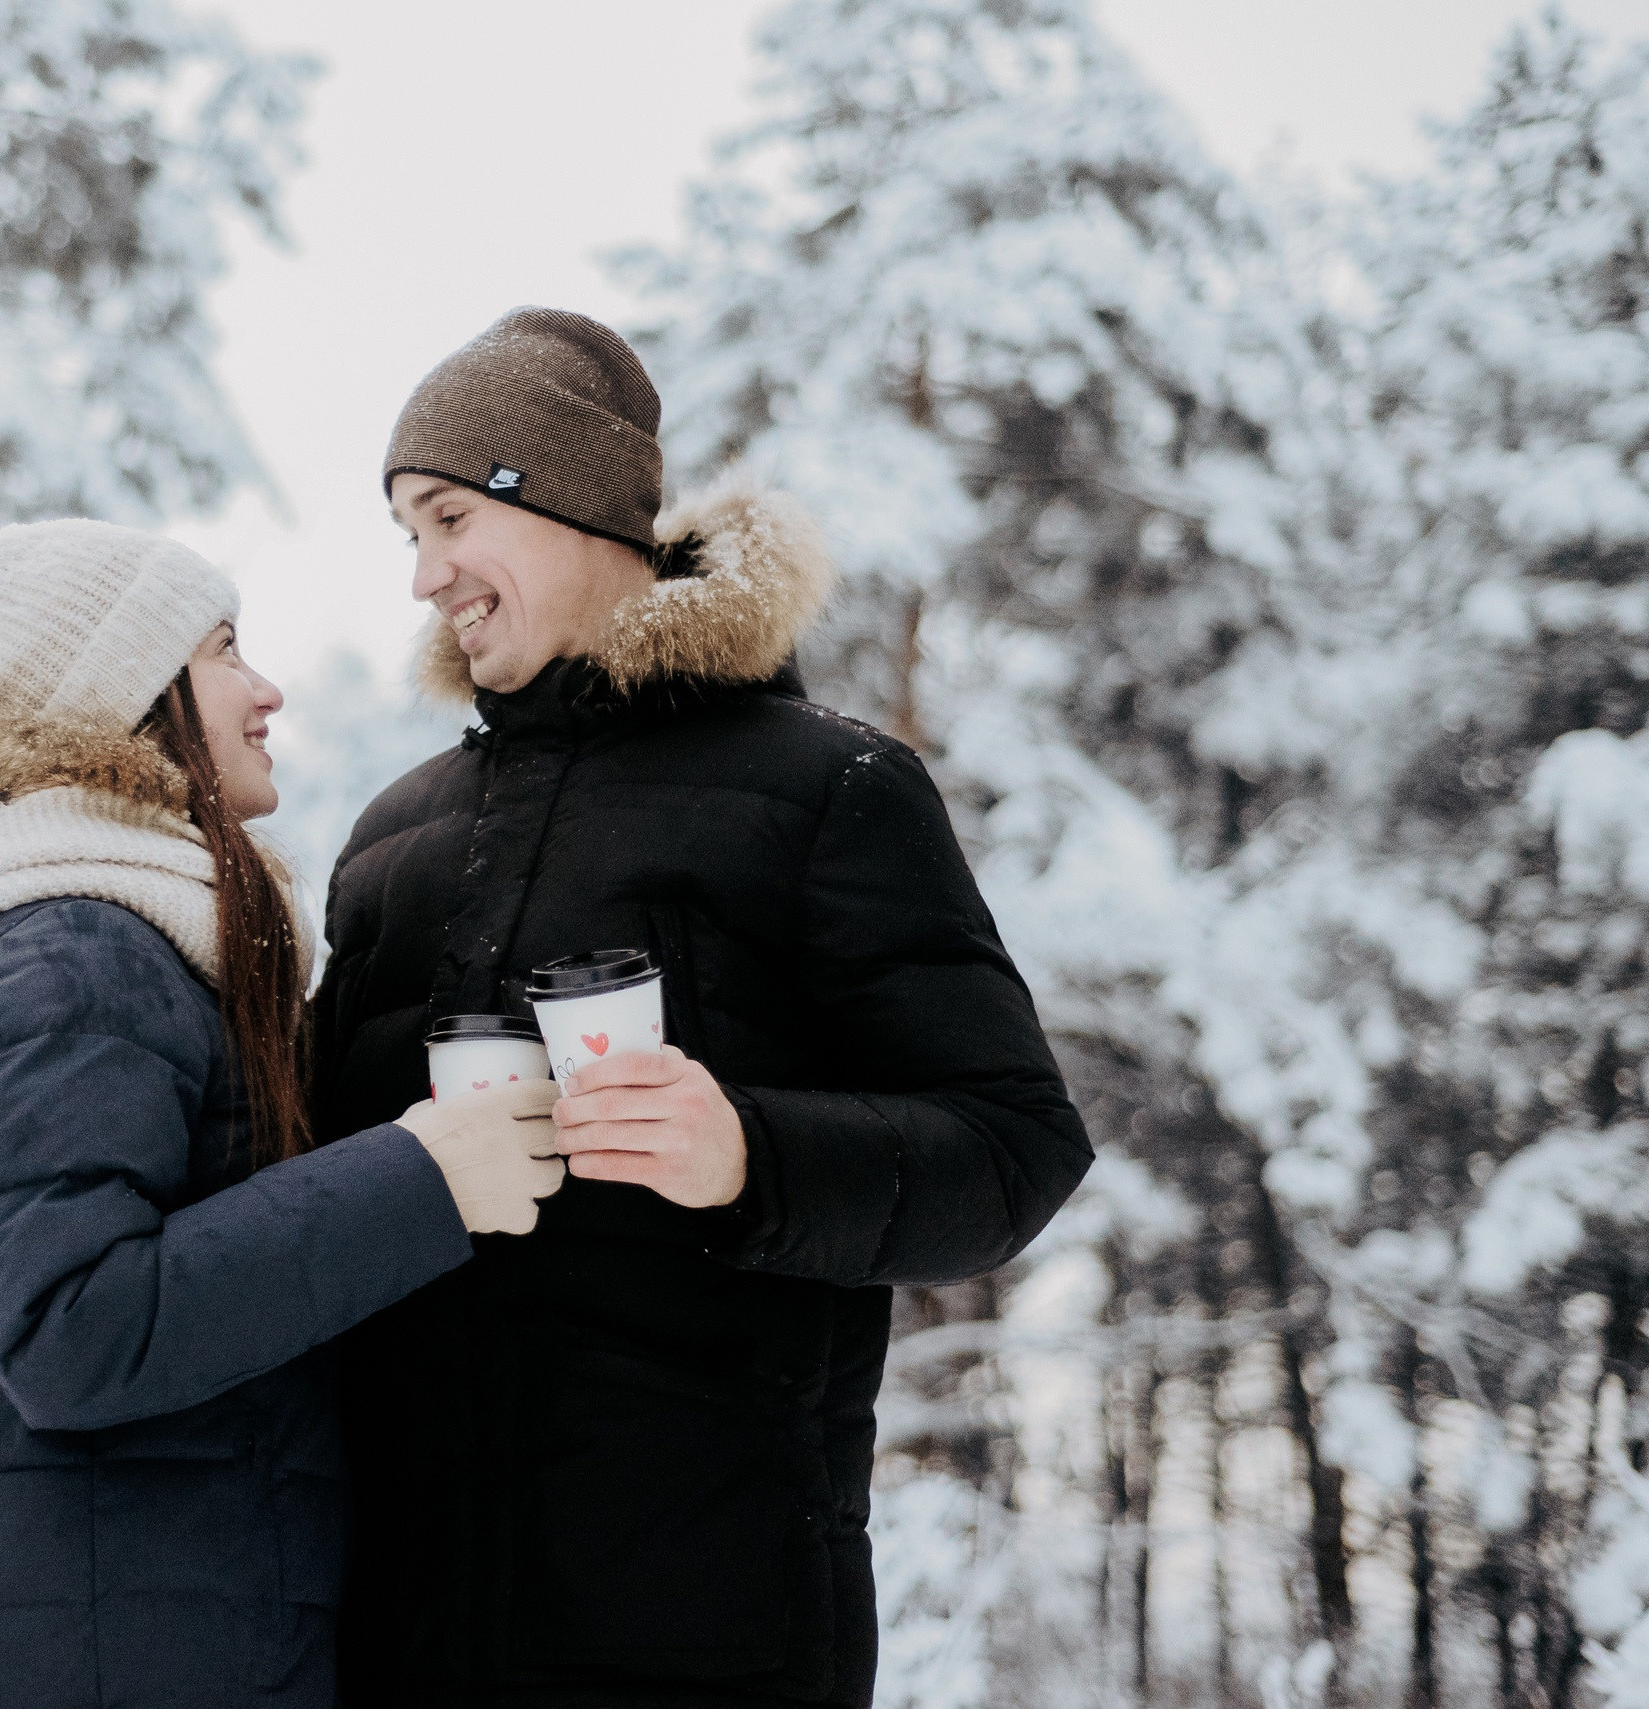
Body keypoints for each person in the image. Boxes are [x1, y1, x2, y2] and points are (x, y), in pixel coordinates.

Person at [311, 308, 1095, 1708]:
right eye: (404, 538)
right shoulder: (393, 838)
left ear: (557, 500)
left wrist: (750, 1154)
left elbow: (1016, 1148)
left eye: (444, 520)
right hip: (400, 1642)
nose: (425, 578)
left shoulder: (826, 792)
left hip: (708, 1639)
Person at [0, 519, 564, 1709]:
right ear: (119, 692)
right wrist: (425, 1178)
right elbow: (75, 1328)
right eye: (221, 650)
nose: (265, 690)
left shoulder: (117, 941)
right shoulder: (69, 951)